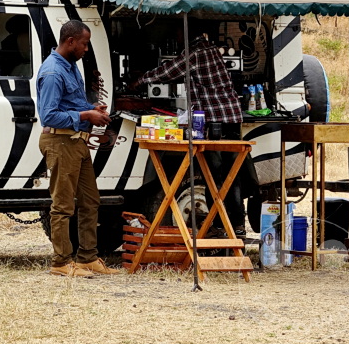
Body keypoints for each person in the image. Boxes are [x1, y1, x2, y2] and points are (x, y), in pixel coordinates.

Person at [133, 31, 247, 237]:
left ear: (184, 34)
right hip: (232, 116)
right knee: (233, 175)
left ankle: (219, 225)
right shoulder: (211, 49)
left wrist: (140, 79)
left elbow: (168, 71)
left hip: (216, 120)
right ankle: (237, 225)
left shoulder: (194, 53)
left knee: (214, 175)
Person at [37, 20, 117, 277]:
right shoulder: (53, 72)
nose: (86, 49)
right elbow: (49, 116)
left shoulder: (70, 66)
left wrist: (92, 109)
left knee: (90, 200)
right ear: (70, 41)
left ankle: (87, 258)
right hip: (61, 142)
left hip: (76, 142)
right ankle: (61, 263)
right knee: (63, 205)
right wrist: (85, 116)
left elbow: (70, 104)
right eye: (84, 43)